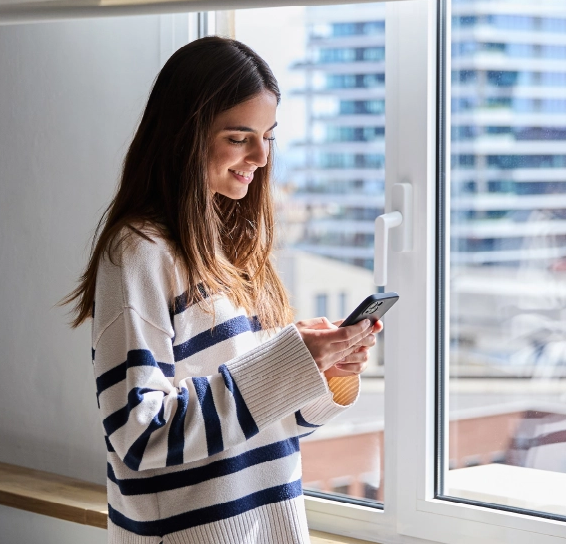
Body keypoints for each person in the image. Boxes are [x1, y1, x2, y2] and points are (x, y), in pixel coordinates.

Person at [64, 36, 381, 544]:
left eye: (268, 136)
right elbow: (140, 434)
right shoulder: (140, 253)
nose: (260, 155)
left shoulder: (233, 247)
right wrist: (286, 363)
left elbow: (260, 421)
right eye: (239, 137)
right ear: (184, 136)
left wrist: (322, 371)